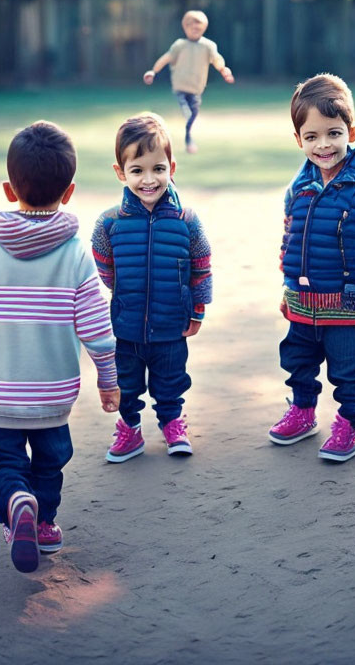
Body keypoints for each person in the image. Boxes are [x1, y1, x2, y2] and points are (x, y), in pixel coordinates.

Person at [0, 121, 120, 573]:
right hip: (52, 393)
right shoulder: (76, 254)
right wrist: (109, 380)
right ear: (69, 191)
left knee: (2, 461)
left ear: (9, 189)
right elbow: (96, 326)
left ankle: (16, 502)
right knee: (51, 460)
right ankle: (42, 520)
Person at [269, 73, 355, 462]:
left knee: (347, 371)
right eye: (311, 137)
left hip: (346, 305)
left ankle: (349, 421)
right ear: (298, 140)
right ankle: (303, 411)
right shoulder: (299, 186)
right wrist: (289, 288)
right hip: (303, 303)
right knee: (297, 361)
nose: (323, 145)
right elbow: (291, 237)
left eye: (333, 133)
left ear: (351, 131)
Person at [92, 113, 212, 462]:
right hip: (126, 325)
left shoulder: (186, 220)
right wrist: (123, 291)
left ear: (172, 167)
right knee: (127, 383)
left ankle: (172, 422)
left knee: (171, 380)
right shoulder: (110, 221)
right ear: (120, 172)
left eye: (158, 169)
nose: (149, 179)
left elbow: (201, 266)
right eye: (138, 170)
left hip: (172, 323)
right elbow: (103, 263)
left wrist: (198, 308)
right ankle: (129, 429)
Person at [143, 10, 234, 154]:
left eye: (199, 28)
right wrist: (153, 71)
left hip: (196, 88)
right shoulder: (179, 45)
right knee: (187, 112)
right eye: (192, 28)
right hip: (180, 87)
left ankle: (188, 138)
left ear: (204, 28)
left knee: (193, 114)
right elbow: (166, 58)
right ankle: (179, 138)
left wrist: (224, 70)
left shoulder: (208, 46)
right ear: (185, 27)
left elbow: (217, 59)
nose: (195, 31)